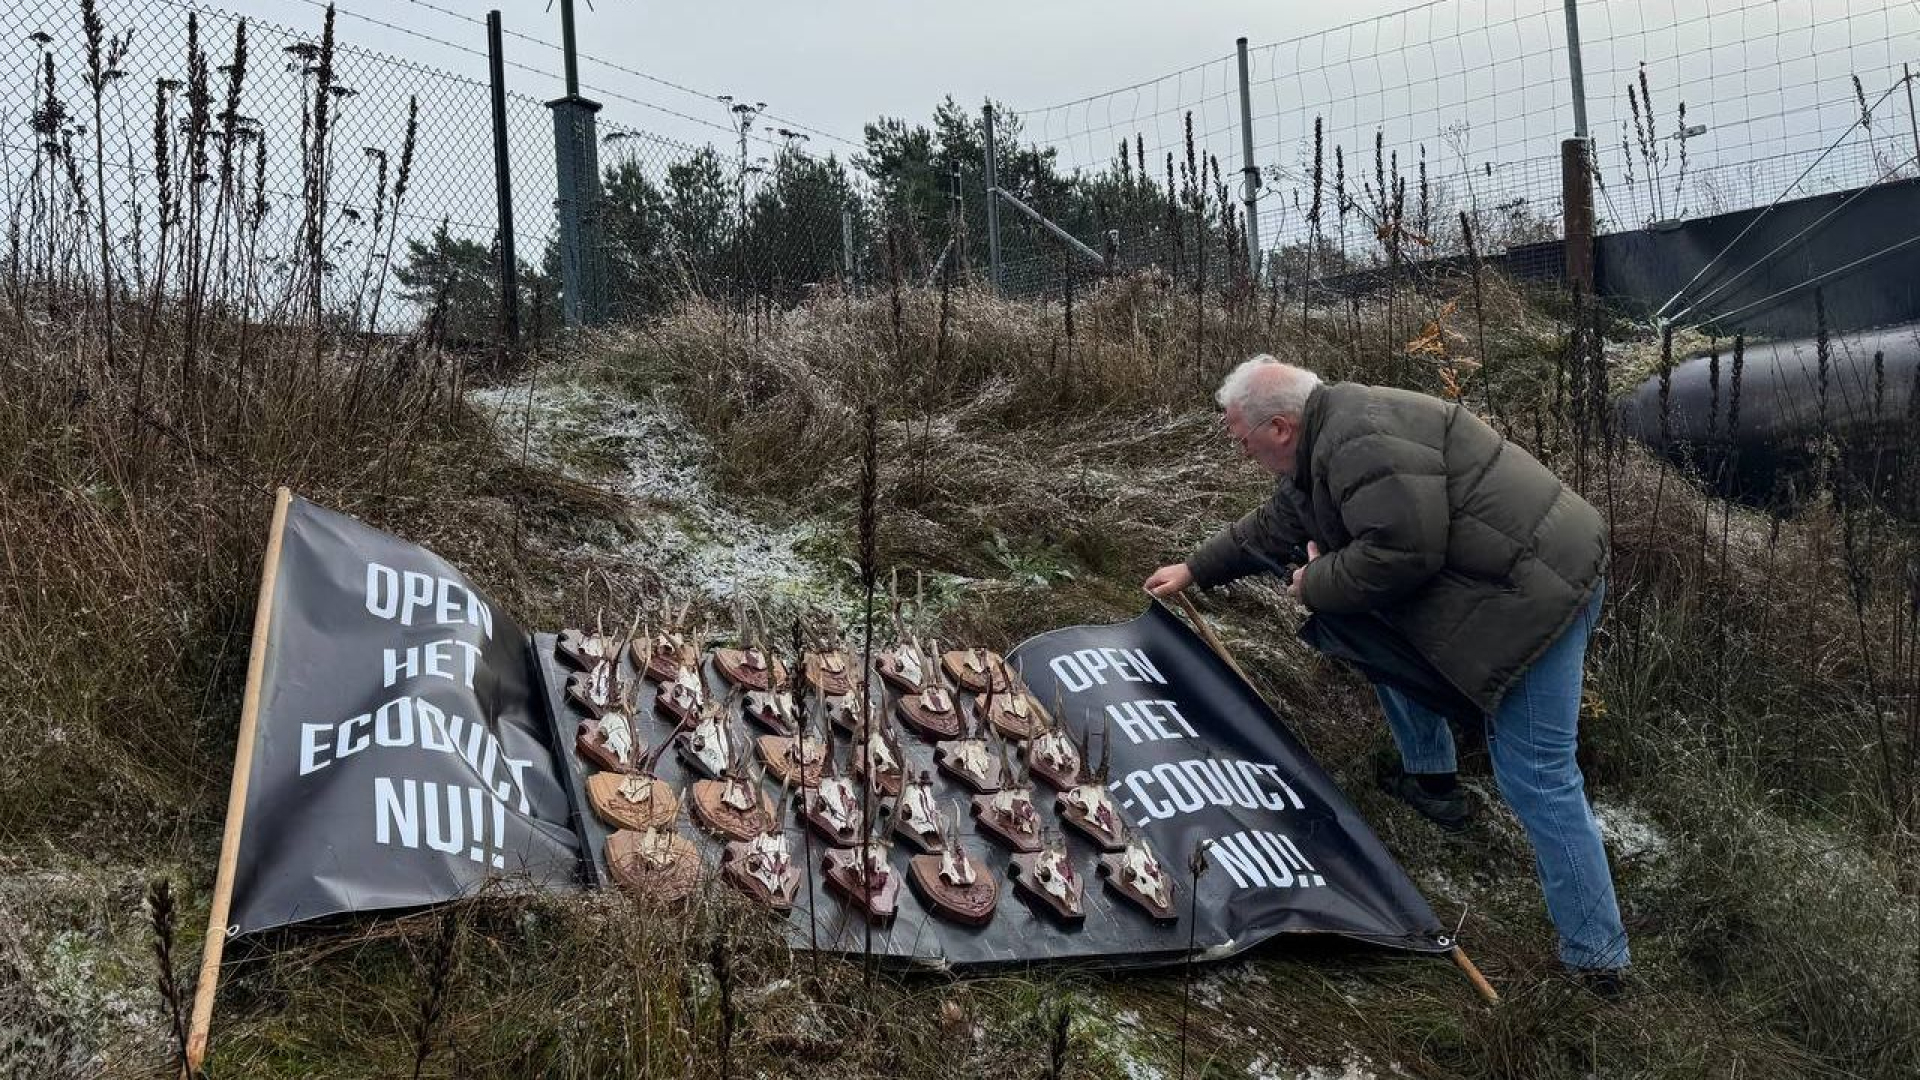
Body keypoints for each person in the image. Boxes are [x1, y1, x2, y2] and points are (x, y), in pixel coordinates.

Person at [1144, 355, 1629, 986]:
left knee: (1537, 775)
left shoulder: (1357, 442)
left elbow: (1406, 550)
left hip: (1538, 597)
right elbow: (1278, 522)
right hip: (1509, 578)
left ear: (1281, 428)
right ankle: (1432, 782)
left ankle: (1597, 958)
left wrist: (1314, 582)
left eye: (1243, 440)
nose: (1242, 454)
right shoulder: (1326, 437)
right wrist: (1193, 570)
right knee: (1373, 637)